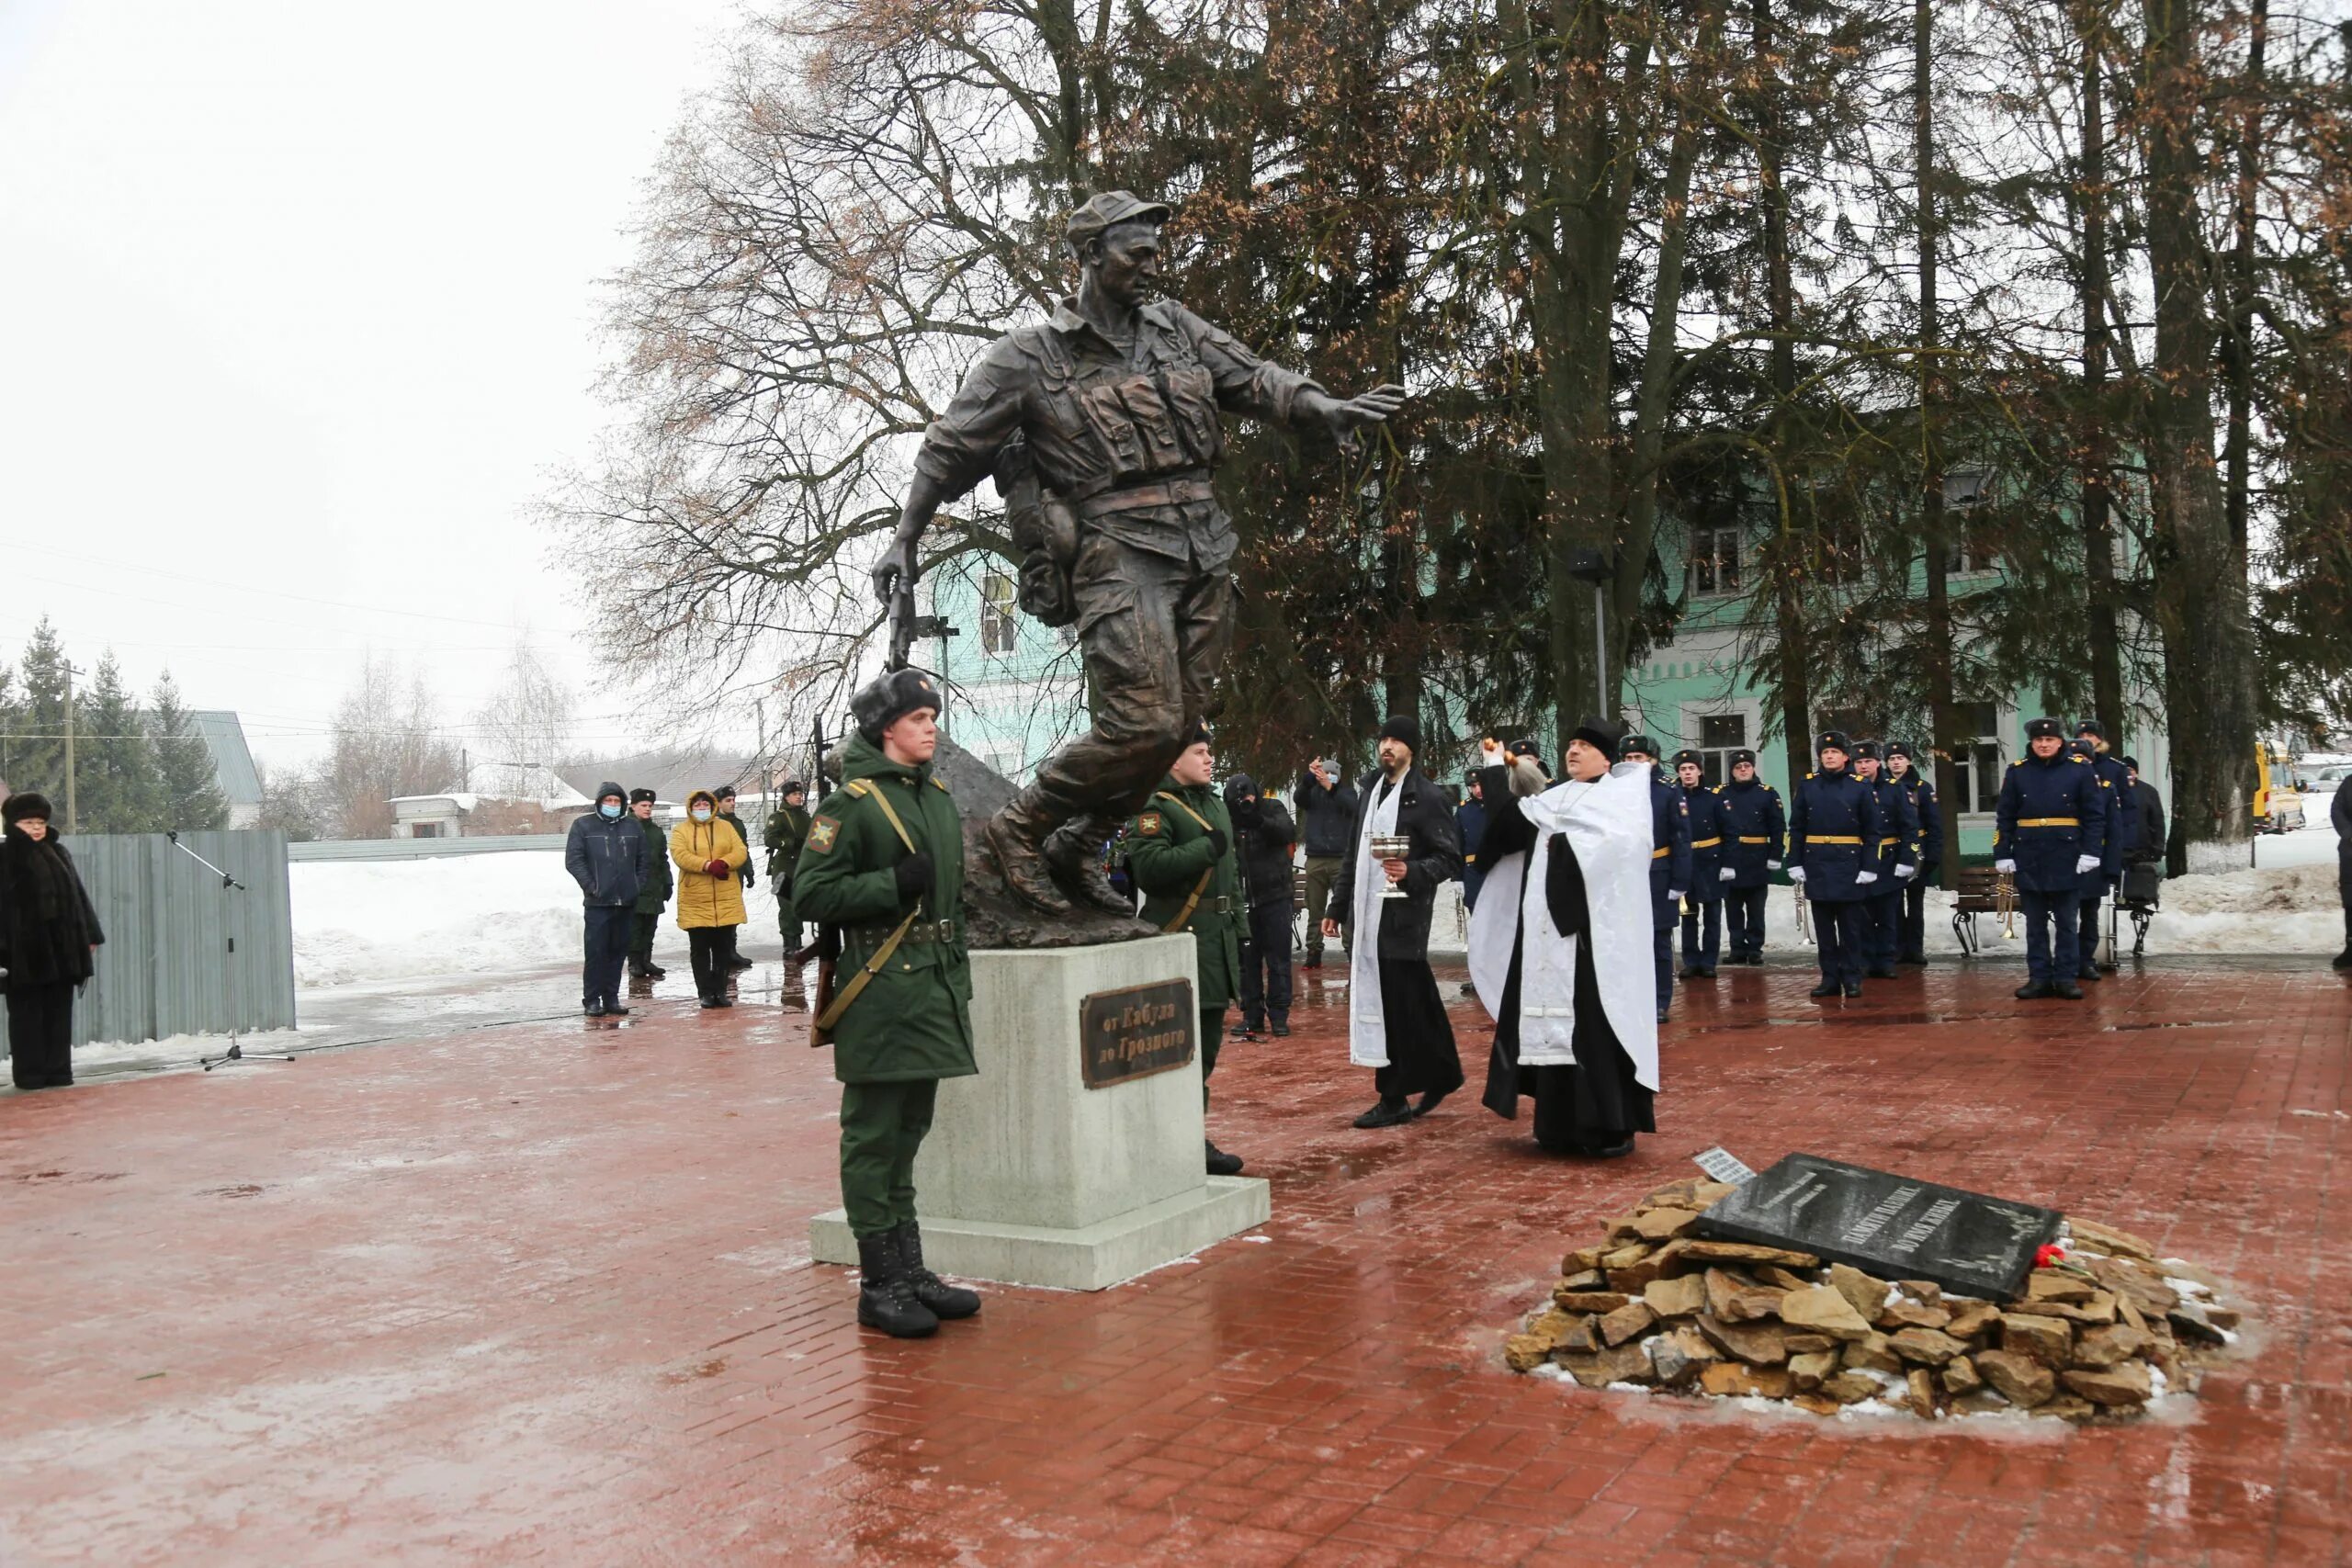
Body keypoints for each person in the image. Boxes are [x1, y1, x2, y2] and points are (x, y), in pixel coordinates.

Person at [870, 190, 1408, 917]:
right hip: (1116, 551)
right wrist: (906, 536)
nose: (1154, 266)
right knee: (1144, 721)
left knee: (1184, 721)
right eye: (1138, 252)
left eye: (1158, 252)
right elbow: (949, 447)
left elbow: (1252, 377)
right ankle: (1019, 828)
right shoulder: (1028, 357)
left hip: (1202, 545)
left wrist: (1323, 405)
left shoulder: (1175, 330)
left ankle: (1081, 839)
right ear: (1090, 256)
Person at [794, 668, 981, 1339]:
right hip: (879, 991)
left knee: (909, 1136)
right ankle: (879, 1283)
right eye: (917, 717)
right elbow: (808, 896)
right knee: (873, 1138)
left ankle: (912, 1271)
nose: (931, 725)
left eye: (932, 715)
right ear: (885, 730)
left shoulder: (932, 795)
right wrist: (888, 884)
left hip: (931, 990)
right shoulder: (853, 803)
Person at [1467, 722, 1657, 1157]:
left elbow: (1624, 851)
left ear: (1606, 759)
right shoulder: (1550, 801)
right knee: (1551, 1027)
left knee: (1593, 1028)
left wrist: (1568, 847)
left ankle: (1607, 1127)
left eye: (1584, 746)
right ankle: (1556, 1126)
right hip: (1545, 939)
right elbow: (1502, 832)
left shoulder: (1621, 800)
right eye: (1571, 745)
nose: (1573, 752)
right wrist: (1495, 770)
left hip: (1594, 942)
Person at [1325, 716, 1464, 1129]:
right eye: (1383, 739)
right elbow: (1355, 854)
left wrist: (1413, 871)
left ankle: (1393, 1097)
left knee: (1398, 1008)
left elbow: (1449, 857)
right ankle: (1443, 1074)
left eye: (1396, 741)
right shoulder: (1369, 792)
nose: (1387, 746)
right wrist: (1336, 908)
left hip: (1403, 918)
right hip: (1369, 920)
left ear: (1411, 749)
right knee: (1416, 1005)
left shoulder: (1427, 797)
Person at [1125, 728, 1247, 1176]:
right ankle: (1180, 1140)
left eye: (1209, 751)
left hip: (1218, 940)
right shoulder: (1156, 809)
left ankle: (1186, 1135)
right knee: (1177, 1046)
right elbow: (1150, 871)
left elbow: (1231, 878)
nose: (1210, 759)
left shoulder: (1215, 804)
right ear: (1174, 761)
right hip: (1181, 941)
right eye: (1199, 752)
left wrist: (1241, 930)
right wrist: (1204, 848)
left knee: (1207, 1045)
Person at [1993, 717, 2108, 1000]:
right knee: (2034, 924)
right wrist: (2003, 853)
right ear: (2032, 743)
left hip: (2066, 855)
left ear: (2060, 742)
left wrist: (2091, 852)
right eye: (2038, 740)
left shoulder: (2079, 770)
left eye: (2050, 740)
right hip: (2029, 854)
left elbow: (2094, 816)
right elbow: (2005, 816)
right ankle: (2039, 977)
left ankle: (2066, 977)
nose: (2044, 744)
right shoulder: (2018, 772)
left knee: (2067, 923)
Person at [0, 793, 105, 1090]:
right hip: (23, 952)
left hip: (62, 949)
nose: (36, 828)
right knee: (26, 1016)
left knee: (59, 1013)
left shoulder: (59, 853)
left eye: (41, 822)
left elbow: (78, 897)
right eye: (28, 822)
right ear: (13, 823)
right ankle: (31, 1075)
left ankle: (58, 1072)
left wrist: (90, 935)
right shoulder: (5, 857)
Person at [1788, 733, 1882, 1000]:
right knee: (1825, 929)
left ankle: (1852, 977)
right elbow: (1797, 827)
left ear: (1845, 757)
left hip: (1849, 863)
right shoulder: (1808, 785)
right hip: (1817, 862)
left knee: (1851, 928)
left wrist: (1869, 866)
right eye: (1825, 752)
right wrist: (1794, 861)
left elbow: (1873, 831)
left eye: (1834, 752)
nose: (1829, 756)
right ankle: (1829, 978)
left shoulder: (1860, 786)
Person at [1617, 736, 1691, 1023]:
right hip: (1623, 875)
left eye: (1639, 757)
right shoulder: (1613, 790)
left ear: (1653, 759)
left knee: (1658, 942)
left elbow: (1681, 838)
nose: (1634, 763)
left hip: (1656, 874)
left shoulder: (1667, 792)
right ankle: (1629, 998)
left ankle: (1659, 1001)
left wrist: (1679, 881)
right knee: (1625, 941)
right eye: (1629, 758)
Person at [1222, 772, 1297, 1042]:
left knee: (1279, 961)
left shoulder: (1272, 808)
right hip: (1243, 903)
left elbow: (1288, 832)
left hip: (1275, 898)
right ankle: (1251, 1016)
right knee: (1247, 964)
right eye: (1239, 797)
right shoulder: (1228, 819)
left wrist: (1258, 820)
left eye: (1248, 793)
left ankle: (1279, 1016)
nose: (1245, 800)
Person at [565, 782, 647, 1019]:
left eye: (616, 801)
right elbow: (574, 860)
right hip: (598, 902)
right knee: (596, 953)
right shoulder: (583, 825)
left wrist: (637, 885)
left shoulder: (632, 826)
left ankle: (611, 997)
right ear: (599, 803)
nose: (612, 805)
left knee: (617, 952)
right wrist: (592, 887)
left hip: (626, 902)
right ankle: (592, 999)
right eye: (608, 801)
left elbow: (643, 860)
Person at [671, 789, 750, 1009]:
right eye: (698, 806)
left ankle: (721, 991)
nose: (702, 809)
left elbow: (740, 850)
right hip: (696, 898)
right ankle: (705, 992)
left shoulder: (726, 827)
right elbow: (680, 855)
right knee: (700, 949)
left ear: (712, 806)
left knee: (723, 948)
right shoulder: (681, 830)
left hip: (726, 897)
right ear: (690, 807)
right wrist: (707, 866)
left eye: (706, 805)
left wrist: (724, 863)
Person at [2071, 722, 2136, 977]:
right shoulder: (2063, 768)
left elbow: (2126, 814)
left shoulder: (2115, 770)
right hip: (2067, 852)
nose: (2088, 740)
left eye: (2092, 736)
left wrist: (2123, 850)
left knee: (2090, 911)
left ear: (2101, 740)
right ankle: (2065, 958)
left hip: (2099, 850)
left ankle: (2086, 958)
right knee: (2065, 912)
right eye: (2082, 736)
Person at [1849, 741, 1919, 980]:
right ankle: (1866, 960)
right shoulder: (1850, 787)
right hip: (1858, 859)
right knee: (1862, 915)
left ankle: (1887, 960)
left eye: (1867, 761)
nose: (1863, 766)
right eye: (1858, 762)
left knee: (1889, 915)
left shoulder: (1894, 788)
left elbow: (1910, 827)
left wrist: (1906, 859)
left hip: (1889, 859)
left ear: (1878, 762)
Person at [1716, 750, 1783, 964]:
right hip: (1731, 858)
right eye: (1738, 767)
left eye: (1747, 766)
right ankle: (1737, 948)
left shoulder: (1767, 793)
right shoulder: (1721, 793)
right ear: (1732, 771)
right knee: (1733, 908)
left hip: (1757, 858)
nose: (1743, 770)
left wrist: (1775, 854)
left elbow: (1777, 827)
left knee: (1756, 909)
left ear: (1753, 768)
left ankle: (1755, 949)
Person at [1295, 759, 1359, 968]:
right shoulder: (1312, 793)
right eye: (1324, 773)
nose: (1327, 777)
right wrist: (1308, 778)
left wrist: (1331, 788)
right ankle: (1313, 951)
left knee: (1346, 910)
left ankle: (1351, 951)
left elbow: (1353, 807)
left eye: (1331, 774)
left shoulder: (1346, 793)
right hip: (1315, 858)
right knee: (1315, 909)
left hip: (1341, 859)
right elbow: (1299, 797)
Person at [1671, 750, 1729, 980]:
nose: (1687, 773)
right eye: (1683, 769)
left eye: (1691, 768)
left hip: (1711, 863)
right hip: (1686, 862)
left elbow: (1730, 832)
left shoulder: (1714, 797)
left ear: (1700, 771)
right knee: (1688, 915)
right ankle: (1691, 960)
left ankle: (1708, 962)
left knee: (1712, 916)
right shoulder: (1673, 797)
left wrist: (1728, 863)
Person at [1884, 743, 1940, 964]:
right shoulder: (1882, 786)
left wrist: (1933, 855)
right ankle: (1898, 948)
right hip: (1892, 852)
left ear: (1908, 761)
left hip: (1918, 850)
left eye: (1900, 757)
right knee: (1894, 904)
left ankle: (1915, 949)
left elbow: (1934, 825)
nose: (1896, 762)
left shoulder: (1922, 788)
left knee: (1915, 904)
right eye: (1891, 759)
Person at [765, 780, 812, 1004]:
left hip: (801, 867)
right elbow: (770, 839)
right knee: (786, 905)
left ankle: (798, 939)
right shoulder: (779, 816)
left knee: (799, 904)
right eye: (794, 794)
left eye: (800, 794)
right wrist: (791, 842)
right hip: (783, 868)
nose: (798, 797)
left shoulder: (804, 816)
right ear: (786, 797)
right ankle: (789, 942)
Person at [626, 789, 673, 982]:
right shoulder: (626, 828)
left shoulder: (655, 831)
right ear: (633, 806)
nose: (647, 809)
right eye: (643, 806)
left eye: (650, 806)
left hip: (654, 885)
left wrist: (667, 882)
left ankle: (646, 960)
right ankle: (634, 961)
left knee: (650, 926)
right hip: (634, 885)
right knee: (635, 926)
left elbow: (663, 859)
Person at [714, 785, 758, 975]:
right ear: (718, 803)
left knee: (733, 913)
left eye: (733, 800)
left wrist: (748, 872)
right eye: (728, 801)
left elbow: (743, 849)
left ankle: (731, 951)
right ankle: (719, 952)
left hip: (736, 874)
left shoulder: (737, 823)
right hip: (719, 873)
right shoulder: (714, 823)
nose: (732, 804)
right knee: (720, 914)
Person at [2123, 757, 2166, 865]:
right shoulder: (2112, 789)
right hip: (2118, 848)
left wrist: (2158, 847)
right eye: (2124, 770)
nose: (2128, 773)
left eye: (2131, 770)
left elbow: (2157, 821)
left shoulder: (2148, 792)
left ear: (2136, 772)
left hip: (2143, 850)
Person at [1458, 771, 1489, 913]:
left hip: (1498, 872)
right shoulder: (1463, 810)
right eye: (1473, 786)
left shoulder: (1501, 804)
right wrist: (1457, 877)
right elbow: (1457, 845)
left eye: (1480, 785)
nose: (1478, 790)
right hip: (1474, 874)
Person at [2334, 765, 2351, 969]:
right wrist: (2348, 833)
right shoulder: (2349, 784)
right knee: (2351, 903)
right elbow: (2336, 810)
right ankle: (2351, 947)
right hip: (2351, 853)